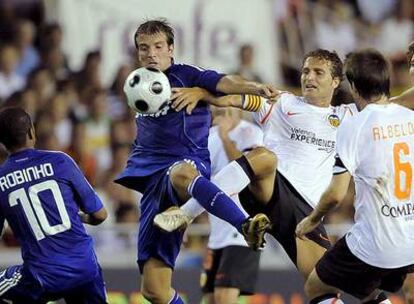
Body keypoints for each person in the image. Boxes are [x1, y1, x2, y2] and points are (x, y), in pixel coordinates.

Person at [155, 49, 357, 282]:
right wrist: (201, 93)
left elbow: (391, 106)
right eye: (305, 71)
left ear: (334, 81)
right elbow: (231, 98)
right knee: (265, 157)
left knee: (324, 286)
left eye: (318, 72)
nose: (308, 77)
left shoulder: (348, 116)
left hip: (306, 214)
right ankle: (185, 214)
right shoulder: (280, 101)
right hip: (270, 191)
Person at [114, 19, 274, 304]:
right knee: (154, 290)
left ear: (171, 49)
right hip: (152, 179)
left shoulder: (186, 74)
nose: (151, 53)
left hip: (186, 161)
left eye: (158, 46)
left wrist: (253, 87)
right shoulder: (137, 82)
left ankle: (246, 225)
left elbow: (226, 83)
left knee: (180, 174)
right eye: (144, 48)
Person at [296, 49, 414, 304]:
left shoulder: (354, 126)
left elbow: (337, 194)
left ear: (353, 86)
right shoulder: (410, 117)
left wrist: (312, 219)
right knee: (366, 289)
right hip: (411, 240)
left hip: (376, 244)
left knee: (316, 286)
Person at [0, 107, 108, 303]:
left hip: (43, 277)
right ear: (32, 131)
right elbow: (100, 215)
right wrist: (79, 216)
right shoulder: (61, 161)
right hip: (85, 269)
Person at [202, 107, 263, 304]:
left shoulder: (251, 133)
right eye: (218, 108)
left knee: (224, 297)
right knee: (210, 298)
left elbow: (248, 170)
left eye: (228, 108)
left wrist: (226, 138)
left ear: (238, 110)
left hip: (242, 229)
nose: (222, 112)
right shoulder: (208, 137)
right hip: (217, 233)